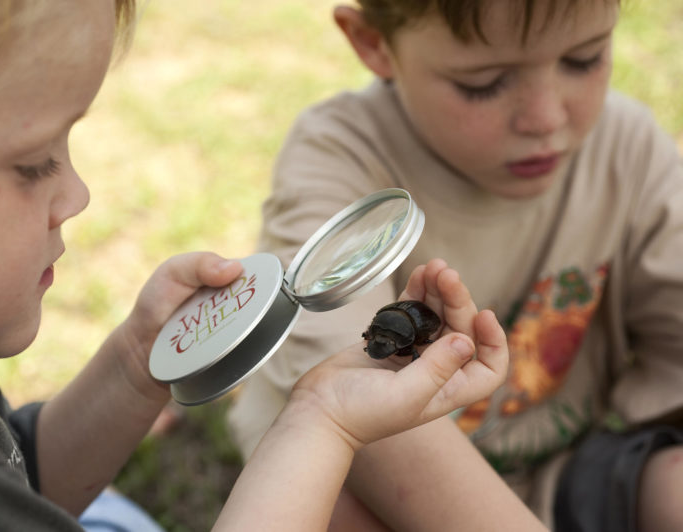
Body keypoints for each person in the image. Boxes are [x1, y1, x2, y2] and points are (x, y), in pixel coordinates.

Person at [0, 1, 546, 530]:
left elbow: (24, 480)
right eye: (31, 164)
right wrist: (322, 421)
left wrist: (137, 366)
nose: (76, 196)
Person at [227, 0, 683, 530]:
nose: (546, 118)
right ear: (373, 43)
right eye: (483, 84)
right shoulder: (340, 157)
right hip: (382, 482)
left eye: (583, 59)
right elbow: (344, 389)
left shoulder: (626, 148)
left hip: (569, 468)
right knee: (327, 515)